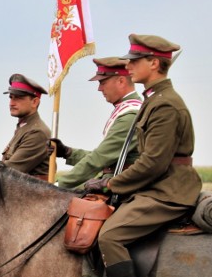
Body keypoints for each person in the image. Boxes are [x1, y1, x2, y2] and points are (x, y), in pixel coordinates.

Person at [80, 34, 202, 277]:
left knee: (111, 236)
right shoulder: (153, 99)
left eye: (135, 61)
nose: (128, 66)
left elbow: (152, 163)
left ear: (154, 63)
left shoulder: (165, 104)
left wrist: (110, 185)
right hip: (156, 186)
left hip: (168, 191)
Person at [50, 58, 143, 189]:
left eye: (102, 82)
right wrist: (68, 152)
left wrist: (57, 185)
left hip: (124, 187)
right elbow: (105, 158)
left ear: (121, 81)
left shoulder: (130, 115)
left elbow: (100, 159)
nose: (99, 88)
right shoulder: (126, 110)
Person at [1, 74, 52, 178]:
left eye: (18, 98)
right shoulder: (24, 127)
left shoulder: (37, 132)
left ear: (34, 102)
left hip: (34, 193)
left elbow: (9, 171)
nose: (11, 103)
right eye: (11, 97)